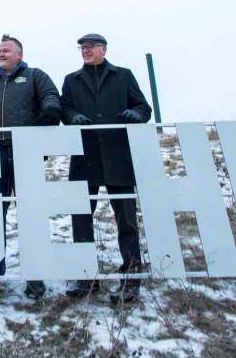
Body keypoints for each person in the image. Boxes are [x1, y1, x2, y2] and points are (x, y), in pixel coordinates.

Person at [0, 34, 62, 300]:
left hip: (25, 153)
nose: (1, 53)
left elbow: (51, 97)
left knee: (30, 215)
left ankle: (35, 275)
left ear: (20, 54)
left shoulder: (35, 76)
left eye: (6, 50)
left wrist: (50, 112)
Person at [60, 33, 152, 305]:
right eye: (82, 47)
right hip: (85, 158)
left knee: (126, 221)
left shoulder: (123, 76)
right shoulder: (71, 80)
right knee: (80, 219)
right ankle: (86, 277)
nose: (85, 51)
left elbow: (143, 107)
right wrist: (72, 117)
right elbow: (64, 109)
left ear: (104, 49)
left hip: (118, 157)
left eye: (90, 47)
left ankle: (131, 277)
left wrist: (136, 115)